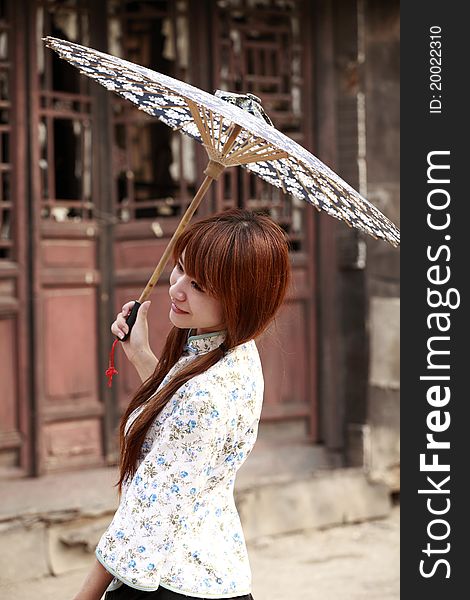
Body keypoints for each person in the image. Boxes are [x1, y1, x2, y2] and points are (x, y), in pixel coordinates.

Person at [72, 208, 291, 600]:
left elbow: (145, 518)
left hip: (171, 582)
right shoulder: (234, 352)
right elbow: (177, 418)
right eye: (180, 270)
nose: (176, 289)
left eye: (200, 286)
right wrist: (140, 353)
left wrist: (84, 597)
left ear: (242, 299)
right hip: (214, 573)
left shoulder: (206, 393)